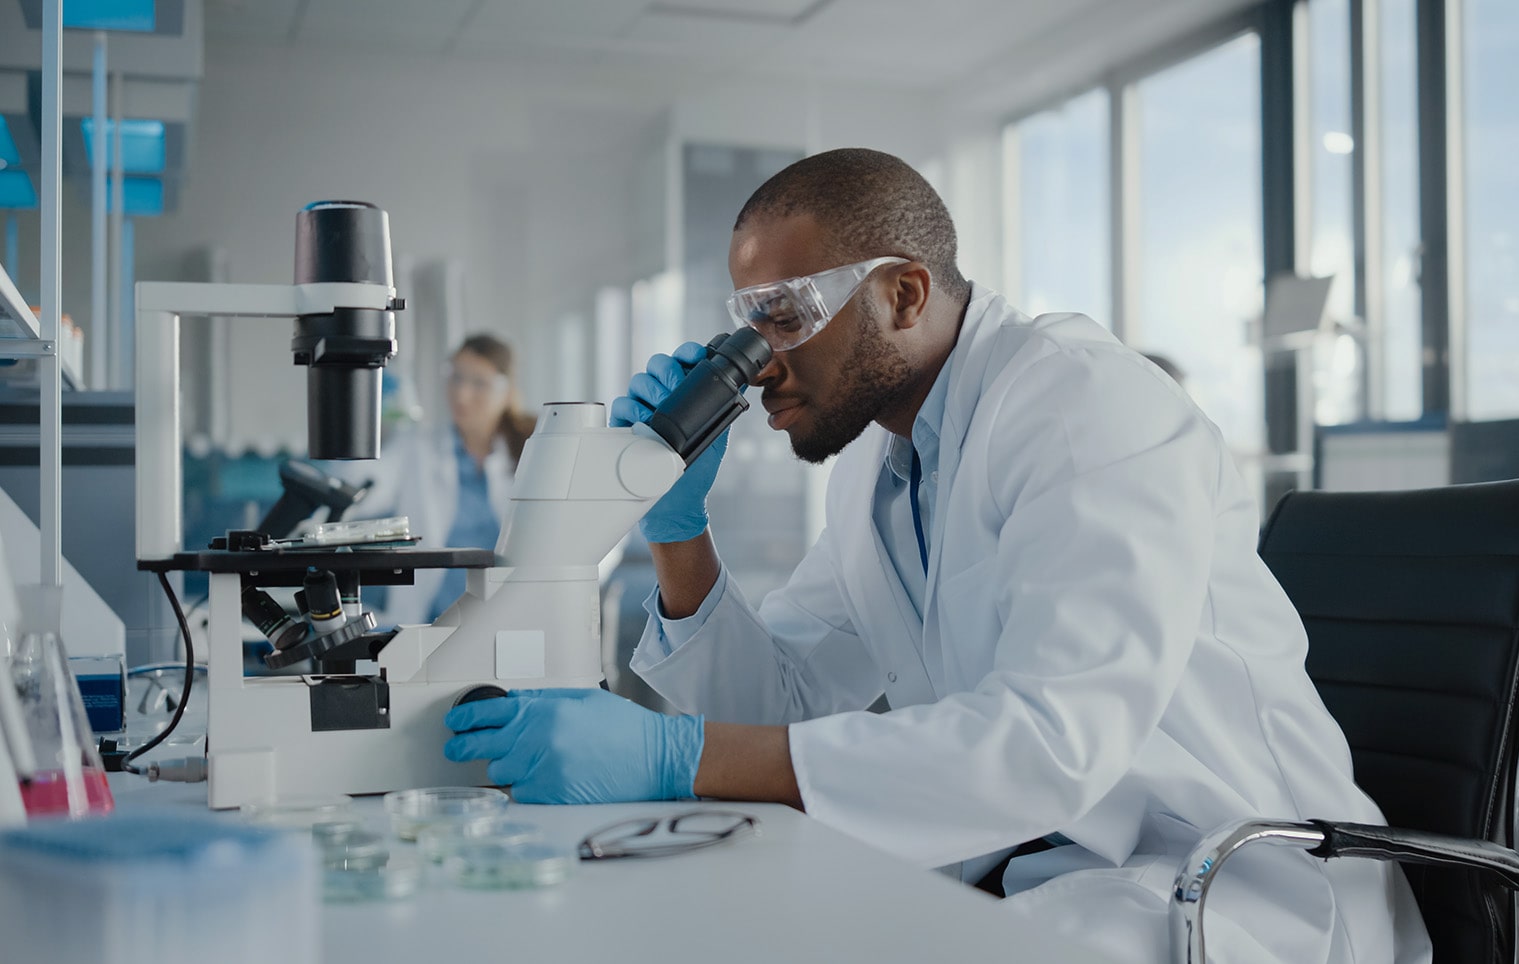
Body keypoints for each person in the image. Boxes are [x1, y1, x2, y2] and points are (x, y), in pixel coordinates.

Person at [442, 149, 1432, 962]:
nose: (759, 363)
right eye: (746, 324)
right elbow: (784, 705)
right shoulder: (880, 468)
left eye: (783, 316)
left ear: (904, 293)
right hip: (1044, 870)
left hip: (1220, 886)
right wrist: (676, 530)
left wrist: (670, 755)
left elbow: (1050, 740)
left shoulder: (1086, 405)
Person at [343, 333, 536, 626]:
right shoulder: (418, 446)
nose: (461, 394)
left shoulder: (532, 449)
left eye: (478, 383)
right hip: (433, 619)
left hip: (510, 618)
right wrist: (361, 415)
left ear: (507, 391)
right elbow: (359, 495)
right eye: (456, 378)